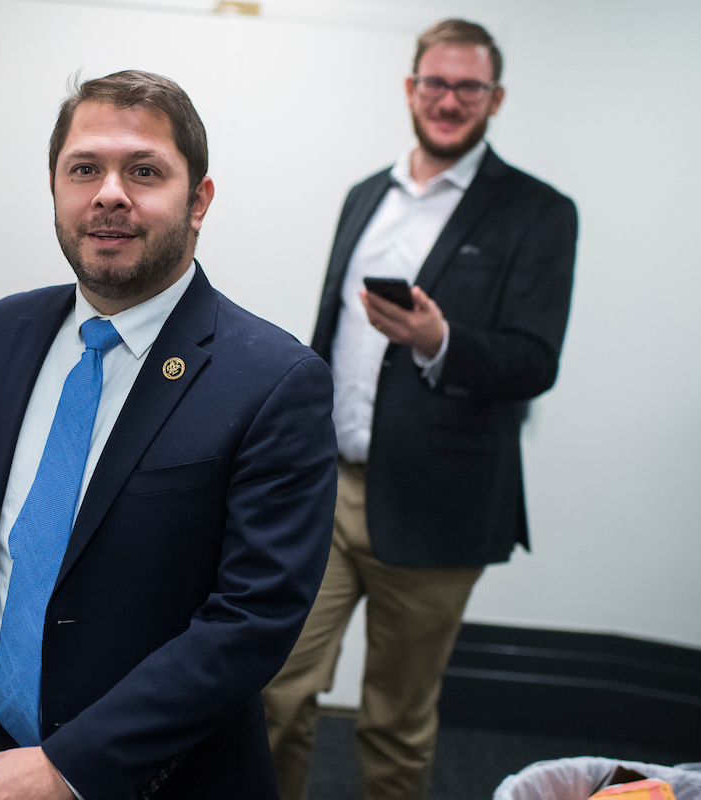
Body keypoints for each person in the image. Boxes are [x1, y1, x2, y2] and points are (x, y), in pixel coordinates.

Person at [0, 70, 338, 800]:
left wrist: (72, 764)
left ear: (199, 202)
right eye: (84, 169)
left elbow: (250, 622)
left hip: (147, 772)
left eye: (145, 172)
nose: (109, 195)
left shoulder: (275, 381)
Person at [261, 19, 578, 800]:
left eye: (470, 86)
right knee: (273, 696)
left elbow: (535, 361)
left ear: (495, 98)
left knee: (395, 723)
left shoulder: (539, 212)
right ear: (410, 88)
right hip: (325, 491)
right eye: (435, 82)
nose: (449, 99)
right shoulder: (365, 195)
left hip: (440, 507)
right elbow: (327, 337)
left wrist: (441, 341)